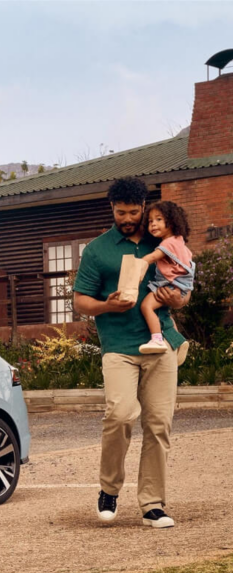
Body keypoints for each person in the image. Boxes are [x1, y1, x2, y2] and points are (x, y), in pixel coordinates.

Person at [72, 177, 191, 529]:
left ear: (144, 207)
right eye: (121, 212)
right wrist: (106, 305)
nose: (128, 218)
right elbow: (80, 301)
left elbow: (184, 286)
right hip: (119, 348)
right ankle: (109, 488)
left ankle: (153, 504)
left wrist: (178, 300)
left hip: (160, 343)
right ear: (112, 209)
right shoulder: (98, 250)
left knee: (158, 425)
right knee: (120, 415)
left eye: (134, 212)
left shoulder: (164, 240)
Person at [136, 201, 195, 354]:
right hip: (180, 286)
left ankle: (157, 340)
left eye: (159, 219)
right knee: (165, 314)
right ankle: (178, 342)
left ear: (172, 221)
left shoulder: (168, 243)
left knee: (146, 306)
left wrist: (138, 264)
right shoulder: (179, 241)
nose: (153, 224)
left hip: (171, 285)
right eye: (150, 221)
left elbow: (153, 256)